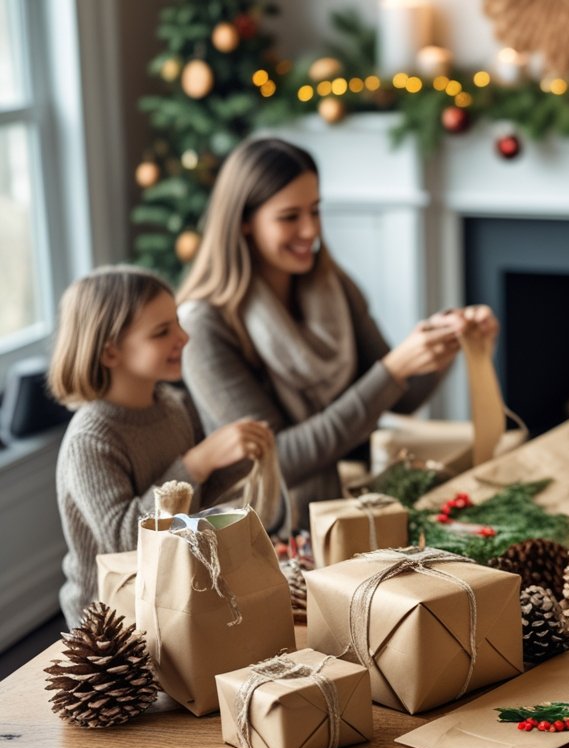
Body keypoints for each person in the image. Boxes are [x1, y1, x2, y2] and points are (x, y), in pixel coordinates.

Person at [178, 137, 497, 526]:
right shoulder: (204, 325)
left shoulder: (332, 285)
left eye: (315, 210)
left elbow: (400, 399)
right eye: (289, 216)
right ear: (244, 222)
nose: (310, 230)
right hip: (266, 526)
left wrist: (445, 346)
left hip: (349, 499)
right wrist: (394, 369)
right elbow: (277, 460)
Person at [49, 266, 275, 628]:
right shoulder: (90, 440)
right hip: (113, 621)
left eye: (177, 323)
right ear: (110, 353)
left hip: (171, 599)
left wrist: (235, 460)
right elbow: (126, 541)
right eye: (162, 332)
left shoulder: (173, 405)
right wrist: (198, 462)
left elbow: (189, 507)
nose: (183, 337)